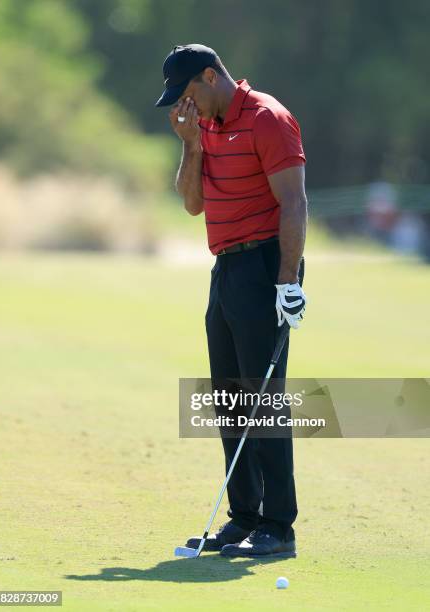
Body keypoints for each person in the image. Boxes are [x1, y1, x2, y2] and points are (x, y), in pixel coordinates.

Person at [155, 44, 307, 558]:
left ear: (209, 75)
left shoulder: (267, 118)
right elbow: (193, 205)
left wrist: (287, 283)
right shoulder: (208, 128)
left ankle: (278, 527)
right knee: (229, 398)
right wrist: (190, 145)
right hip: (226, 269)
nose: (186, 104)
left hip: (265, 266)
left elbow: (295, 203)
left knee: (262, 399)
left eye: (188, 92)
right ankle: (243, 517)